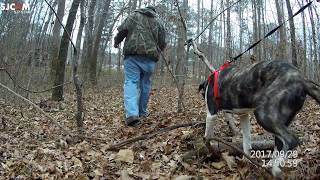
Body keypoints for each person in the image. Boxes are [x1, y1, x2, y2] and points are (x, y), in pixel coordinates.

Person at [114, 6, 166, 126]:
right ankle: (142, 112)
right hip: (150, 59)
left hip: (132, 56)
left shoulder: (133, 16)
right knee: (145, 84)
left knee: (131, 82)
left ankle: (132, 114)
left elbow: (122, 31)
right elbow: (162, 42)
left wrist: (116, 42)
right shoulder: (158, 21)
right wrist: (158, 51)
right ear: (154, 11)